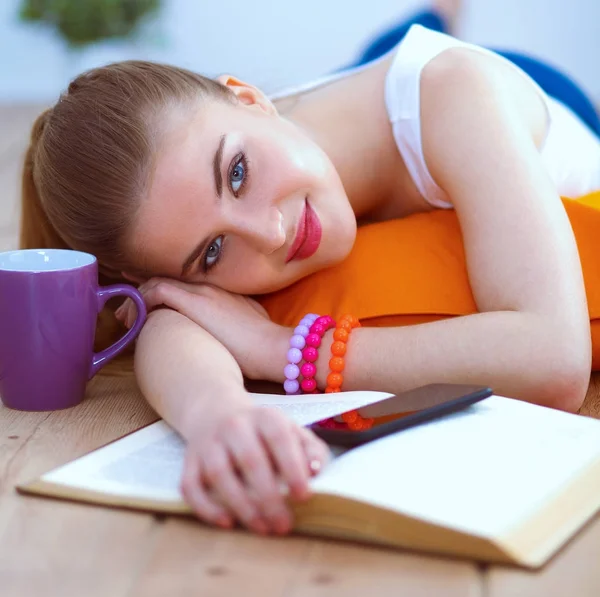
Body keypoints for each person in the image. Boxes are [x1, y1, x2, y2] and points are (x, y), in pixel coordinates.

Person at [20, 2, 600, 537]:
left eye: (238, 173)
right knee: (369, 59)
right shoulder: (228, 167)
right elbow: (175, 316)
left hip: (536, 89)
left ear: (248, 97)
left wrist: (280, 348)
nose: (271, 234)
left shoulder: (459, 93)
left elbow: (555, 358)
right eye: (214, 252)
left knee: (412, 48)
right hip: (339, 111)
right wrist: (216, 413)